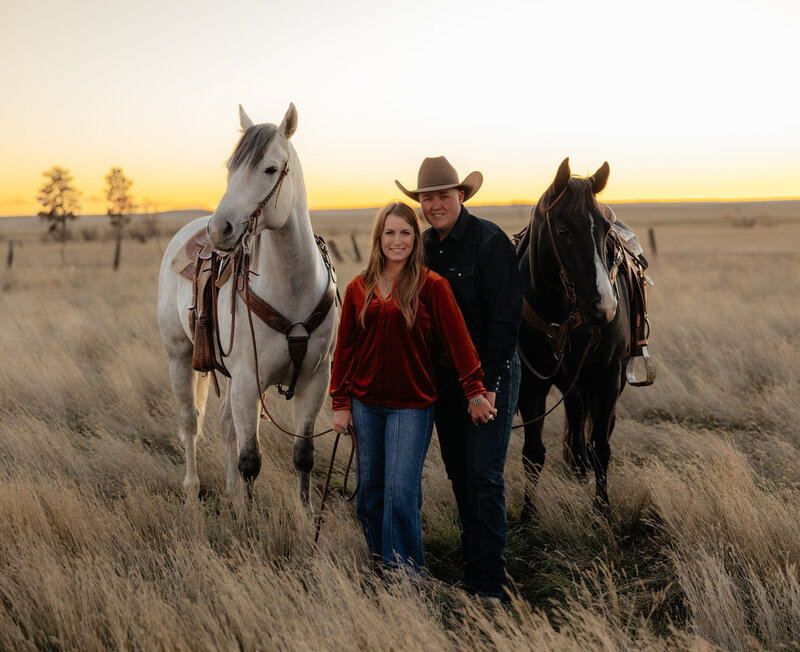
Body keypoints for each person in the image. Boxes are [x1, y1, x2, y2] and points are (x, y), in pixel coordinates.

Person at [330, 201, 496, 573]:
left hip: (413, 405)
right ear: (379, 237)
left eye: (405, 232)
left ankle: (405, 579)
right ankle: (380, 567)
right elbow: (345, 348)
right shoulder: (359, 287)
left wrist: (475, 391)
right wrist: (341, 401)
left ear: (415, 238)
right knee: (369, 498)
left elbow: (459, 342)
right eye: (389, 232)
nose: (397, 240)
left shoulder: (431, 285)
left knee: (400, 495)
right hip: (364, 405)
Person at [396, 156, 522, 602]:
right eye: (427, 198)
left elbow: (506, 321)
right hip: (444, 381)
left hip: (489, 377)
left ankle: (492, 586)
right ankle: (474, 575)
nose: (434, 206)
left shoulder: (489, 242)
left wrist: (484, 386)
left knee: (484, 476)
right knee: (459, 475)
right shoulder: (422, 247)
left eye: (442, 196)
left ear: (461, 196)